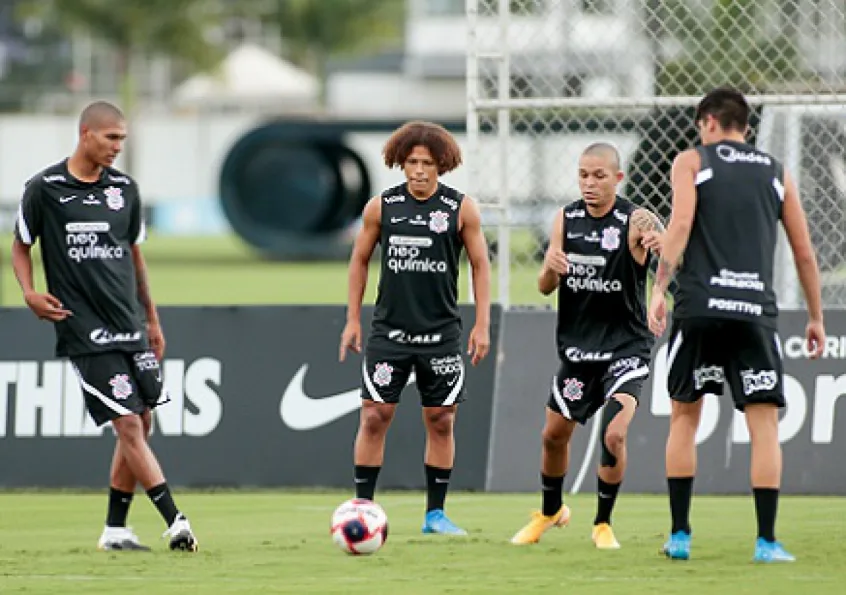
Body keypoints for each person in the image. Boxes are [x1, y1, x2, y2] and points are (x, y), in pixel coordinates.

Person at [648, 87, 825, 563]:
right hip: (753, 313)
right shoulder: (775, 171)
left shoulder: (692, 161)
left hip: (699, 308)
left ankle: (680, 536)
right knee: (764, 425)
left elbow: (680, 224)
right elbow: (805, 252)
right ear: (744, 125)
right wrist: (814, 317)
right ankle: (767, 541)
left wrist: (658, 289)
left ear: (708, 122)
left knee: (685, 417)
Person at [12, 101, 198, 552]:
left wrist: (152, 319)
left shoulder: (124, 190)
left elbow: (135, 256)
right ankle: (176, 521)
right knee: (128, 426)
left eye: (123, 139)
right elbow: (20, 244)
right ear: (85, 134)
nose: (118, 147)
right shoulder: (45, 188)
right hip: (84, 328)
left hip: (130, 323)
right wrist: (29, 292)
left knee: (143, 422)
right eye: (111, 137)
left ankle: (115, 530)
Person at [339, 120, 491, 535]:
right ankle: (362, 508)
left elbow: (480, 265)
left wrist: (482, 324)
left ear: (442, 166)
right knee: (374, 415)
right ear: (400, 163)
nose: (419, 170)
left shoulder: (461, 209)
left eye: (427, 163)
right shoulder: (381, 207)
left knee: (441, 418)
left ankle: (435, 515)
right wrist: (352, 319)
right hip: (389, 333)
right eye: (412, 162)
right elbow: (359, 261)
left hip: (441, 334)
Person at [511, 143, 664, 548]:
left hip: (626, 349)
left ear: (617, 178)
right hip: (579, 353)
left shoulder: (636, 220)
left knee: (613, 437)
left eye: (598, 175)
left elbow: (668, 255)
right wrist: (550, 266)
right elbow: (545, 287)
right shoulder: (566, 218)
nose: (589, 183)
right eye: (583, 175)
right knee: (552, 435)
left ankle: (602, 523)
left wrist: (660, 291)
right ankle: (550, 512)